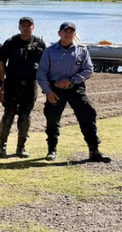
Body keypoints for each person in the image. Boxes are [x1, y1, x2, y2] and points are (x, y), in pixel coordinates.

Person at [36, 22, 111, 163]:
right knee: (52, 119)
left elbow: (88, 70)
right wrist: (48, 92)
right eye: (65, 31)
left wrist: (71, 80)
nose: (68, 34)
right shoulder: (50, 51)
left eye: (71, 32)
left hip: (76, 88)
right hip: (55, 89)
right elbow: (41, 73)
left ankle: (94, 150)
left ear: (74, 34)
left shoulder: (82, 50)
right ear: (59, 33)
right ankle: (52, 150)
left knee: (88, 115)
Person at [0, 17, 46, 158]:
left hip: (30, 86)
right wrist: (3, 84)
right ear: (19, 27)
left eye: (29, 26)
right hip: (12, 85)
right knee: (8, 115)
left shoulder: (40, 43)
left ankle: (21, 147)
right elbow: (1, 63)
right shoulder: (11, 42)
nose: (26, 28)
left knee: (25, 117)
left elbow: (45, 64)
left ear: (33, 27)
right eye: (23, 25)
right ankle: (2, 146)